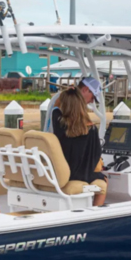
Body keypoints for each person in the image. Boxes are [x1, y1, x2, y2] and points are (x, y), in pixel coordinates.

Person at [52, 77, 107, 206]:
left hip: (61, 173)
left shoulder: (58, 121)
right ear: (86, 90)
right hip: (81, 175)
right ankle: (95, 211)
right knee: (103, 179)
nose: (92, 101)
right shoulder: (91, 129)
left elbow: (56, 107)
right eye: (93, 97)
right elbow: (95, 158)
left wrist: (67, 93)